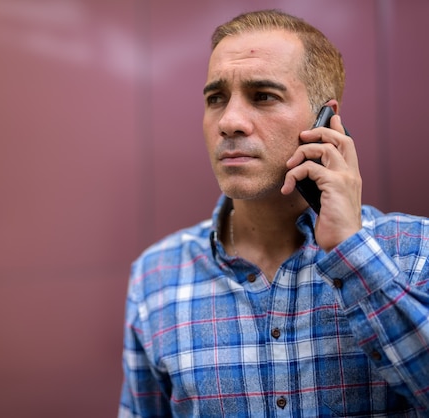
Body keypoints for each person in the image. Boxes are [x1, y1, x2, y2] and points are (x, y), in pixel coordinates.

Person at [118, 9, 429, 417]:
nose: (229, 121)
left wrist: (353, 254)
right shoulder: (156, 277)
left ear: (327, 122)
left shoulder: (414, 252)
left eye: (263, 95)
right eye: (216, 99)